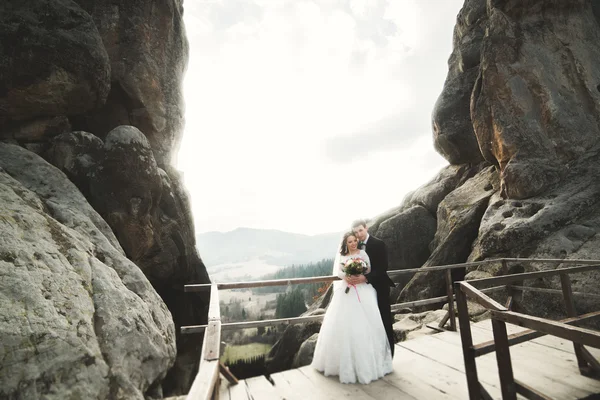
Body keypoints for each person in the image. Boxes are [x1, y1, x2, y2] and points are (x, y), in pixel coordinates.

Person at [311, 232, 393, 384]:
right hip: (347, 291)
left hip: (363, 290)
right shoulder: (343, 257)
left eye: (355, 241)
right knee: (346, 325)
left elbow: (368, 269)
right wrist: (347, 276)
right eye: (350, 241)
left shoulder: (363, 253)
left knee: (366, 325)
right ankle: (345, 366)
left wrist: (360, 272)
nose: (353, 243)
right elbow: (339, 272)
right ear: (346, 243)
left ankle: (369, 364)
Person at [351, 219, 396, 357]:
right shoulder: (354, 246)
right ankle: (373, 356)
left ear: (366, 228)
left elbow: (383, 267)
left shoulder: (378, 244)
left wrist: (366, 278)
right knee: (368, 322)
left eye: (360, 230)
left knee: (384, 321)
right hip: (363, 291)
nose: (359, 234)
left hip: (380, 288)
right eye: (356, 232)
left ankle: (389, 355)